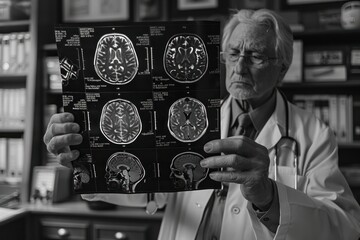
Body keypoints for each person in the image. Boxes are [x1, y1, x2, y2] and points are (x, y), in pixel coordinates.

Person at [43, 8, 360, 240]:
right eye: (233, 53)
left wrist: (269, 196)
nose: (239, 67)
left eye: (257, 56)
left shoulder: (314, 136)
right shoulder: (186, 116)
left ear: (282, 69)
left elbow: (344, 227)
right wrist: (84, 161)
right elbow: (151, 193)